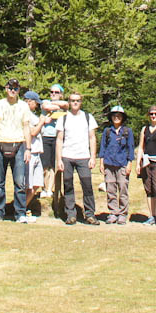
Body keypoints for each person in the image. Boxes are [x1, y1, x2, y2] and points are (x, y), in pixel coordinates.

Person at [0, 78, 33, 223]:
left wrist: (28, 148)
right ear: (6, 89)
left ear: (19, 90)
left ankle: (20, 213)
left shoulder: (24, 106)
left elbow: (26, 127)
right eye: (11, 88)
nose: (13, 91)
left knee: (19, 182)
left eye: (16, 88)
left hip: (18, 145)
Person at [55, 92, 98, 225]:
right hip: (67, 156)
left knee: (87, 185)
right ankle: (70, 215)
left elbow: (92, 138)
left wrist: (93, 157)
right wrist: (59, 159)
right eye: (73, 100)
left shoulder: (88, 117)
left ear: (81, 102)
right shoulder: (63, 118)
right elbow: (59, 139)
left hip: (83, 157)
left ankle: (90, 214)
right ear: (69, 102)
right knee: (68, 185)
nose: (75, 102)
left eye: (77, 100)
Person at [97, 105, 135, 224]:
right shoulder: (107, 131)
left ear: (122, 117)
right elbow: (103, 147)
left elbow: (131, 148)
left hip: (122, 164)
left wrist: (129, 164)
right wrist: (101, 163)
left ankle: (123, 214)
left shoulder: (127, 131)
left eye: (119, 115)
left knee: (123, 190)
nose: (116, 117)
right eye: (114, 115)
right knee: (110, 190)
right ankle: (113, 213)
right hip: (109, 164)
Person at [39, 84, 68, 202]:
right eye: (52, 92)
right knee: (44, 165)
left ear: (61, 94)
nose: (53, 94)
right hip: (45, 136)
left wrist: (56, 107)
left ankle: (50, 189)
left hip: (58, 137)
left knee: (54, 165)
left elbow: (67, 105)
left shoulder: (64, 104)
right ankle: (44, 188)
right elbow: (46, 106)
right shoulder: (45, 101)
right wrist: (57, 108)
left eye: (56, 92)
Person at [22, 91, 46, 220]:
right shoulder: (25, 115)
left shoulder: (33, 115)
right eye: (36, 103)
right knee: (28, 184)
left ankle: (23, 207)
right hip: (29, 152)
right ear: (29, 102)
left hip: (37, 152)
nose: (36, 106)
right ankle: (21, 209)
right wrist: (41, 122)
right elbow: (32, 133)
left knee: (37, 183)